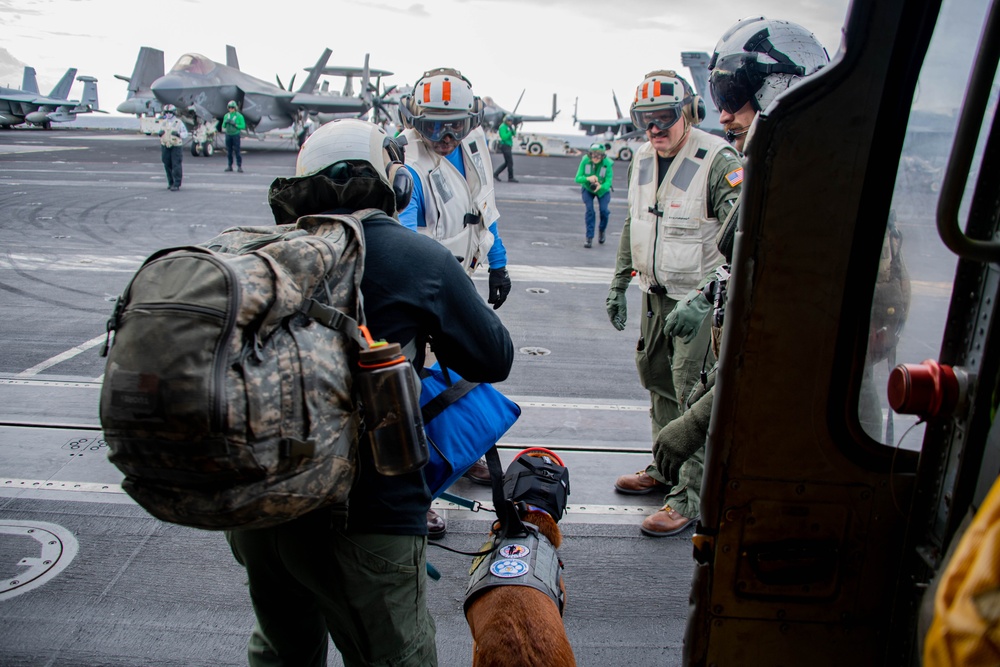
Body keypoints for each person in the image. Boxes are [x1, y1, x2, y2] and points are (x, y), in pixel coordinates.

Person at [226, 118, 514, 666]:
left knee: (283, 651)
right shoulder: (416, 257)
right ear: (393, 182)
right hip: (367, 515)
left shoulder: (258, 254)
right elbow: (493, 357)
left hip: (260, 508)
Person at [633, 17, 831, 537]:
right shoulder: (786, 182)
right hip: (764, 433)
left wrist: (696, 423)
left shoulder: (813, 200)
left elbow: (782, 353)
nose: (724, 113)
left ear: (784, 95)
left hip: (797, 446)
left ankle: (685, 497)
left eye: (736, 94)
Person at [397, 67, 513, 534]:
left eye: (454, 125)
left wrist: (499, 261)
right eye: (431, 125)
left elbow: (485, 207)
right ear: (414, 120)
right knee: (410, 391)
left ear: (470, 121)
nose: (444, 136)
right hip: (423, 289)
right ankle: (416, 492)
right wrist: (417, 297)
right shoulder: (406, 162)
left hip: (459, 281)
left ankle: (464, 455)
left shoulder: (474, 148)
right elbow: (404, 232)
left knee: (464, 376)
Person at [575, 141, 614, 248]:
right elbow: (577, 178)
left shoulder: (607, 164)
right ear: (590, 154)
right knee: (590, 211)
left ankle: (602, 230)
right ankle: (589, 237)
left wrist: (600, 186)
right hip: (588, 188)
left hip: (602, 190)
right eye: (593, 154)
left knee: (604, 211)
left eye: (599, 155)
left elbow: (608, 181)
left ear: (603, 156)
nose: (596, 157)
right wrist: (588, 178)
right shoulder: (585, 161)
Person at [157, 104, 187, 191]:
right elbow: (160, 132)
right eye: (166, 112)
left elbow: (185, 134)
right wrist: (160, 134)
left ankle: (177, 184)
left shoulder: (178, 123)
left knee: (176, 164)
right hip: (165, 145)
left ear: (174, 113)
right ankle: (170, 182)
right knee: (167, 163)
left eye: (170, 112)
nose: (168, 114)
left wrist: (178, 134)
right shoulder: (163, 122)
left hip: (176, 146)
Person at [222, 100, 246, 173]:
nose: (231, 109)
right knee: (229, 151)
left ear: (235, 108)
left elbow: (243, 126)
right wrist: (226, 123)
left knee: (237, 151)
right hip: (228, 134)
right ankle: (230, 166)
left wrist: (235, 124)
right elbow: (223, 125)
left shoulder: (239, 116)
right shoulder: (226, 116)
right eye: (229, 107)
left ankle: (239, 166)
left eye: (232, 107)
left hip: (235, 135)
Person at [493, 114, 517, 182]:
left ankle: (496, 174)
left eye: (511, 121)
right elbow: (504, 137)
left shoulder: (508, 127)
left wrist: (513, 129)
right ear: (506, 120)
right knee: (510, 162)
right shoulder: (503, 127)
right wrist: (509, 132)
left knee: (507, 162)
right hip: (505, 146)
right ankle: (510, 177)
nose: (510, 122)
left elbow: (514, 134)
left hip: (508, 145)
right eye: (509, 121)